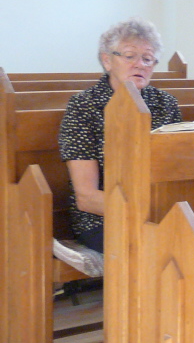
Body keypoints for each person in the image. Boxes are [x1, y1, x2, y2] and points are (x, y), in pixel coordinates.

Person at [58, 18, 182, 253]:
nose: (140, 64)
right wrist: (145, 211)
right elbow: (86, 197)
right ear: (107, 60)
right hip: (103, 218)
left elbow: (177, 169)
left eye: (147, 59)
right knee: (163, 250)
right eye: (130, 56)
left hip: (159, 210)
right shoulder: (84, 106)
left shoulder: (166, 104)